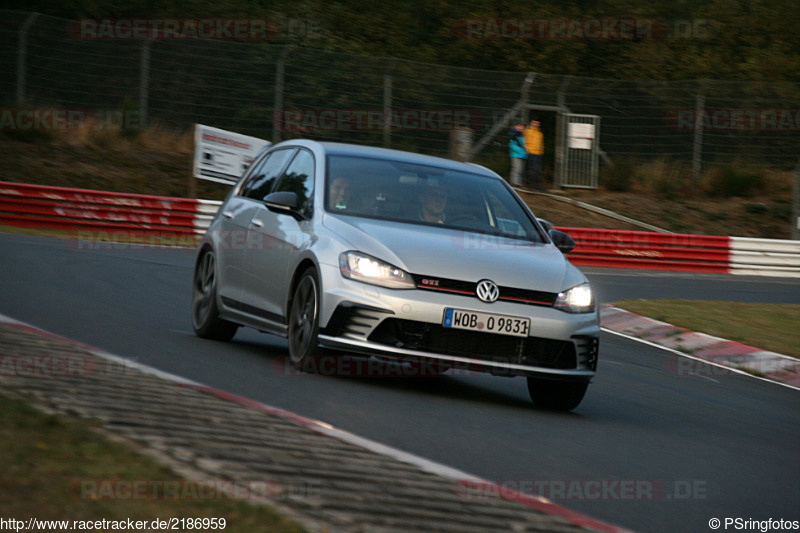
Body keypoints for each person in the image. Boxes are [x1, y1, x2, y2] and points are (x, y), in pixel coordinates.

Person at [523, 119, 544, 190]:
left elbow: (541, 144)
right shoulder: (527, 131)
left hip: (538, 154)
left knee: (537, 170)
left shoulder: (539, 133)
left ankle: (536, 185)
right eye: (535, 123)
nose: (536, 124)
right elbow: (524, 141)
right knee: (531, 169)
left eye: (537, 123)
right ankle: (529, 184)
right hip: (531, 153)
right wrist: (528, 150)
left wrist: (541, 151)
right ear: (531, 123)